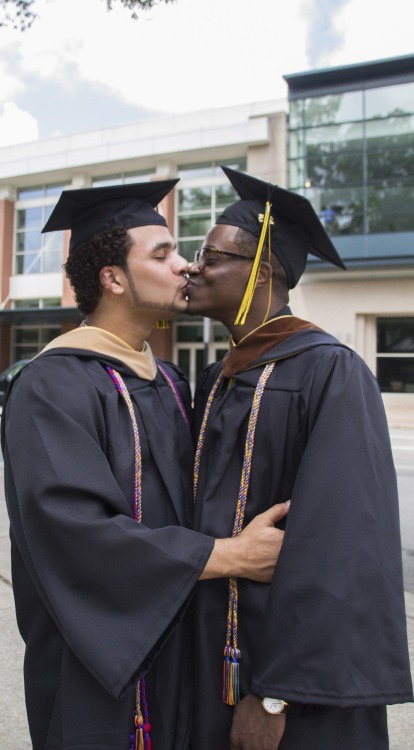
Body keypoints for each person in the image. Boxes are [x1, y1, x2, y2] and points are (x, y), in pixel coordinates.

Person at [1, 179, 288, 750]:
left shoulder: (170, 382)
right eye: (162, 254)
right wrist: (228, 555)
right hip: (94, 669)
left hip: (180, 653)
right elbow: (73, 534)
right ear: (112, 278)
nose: (185, 266)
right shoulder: (52, 386)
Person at [186, 166, 413, 750]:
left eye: (211, 256)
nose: (194, 267)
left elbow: (345, 549)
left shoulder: (331, 373)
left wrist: (275, 693)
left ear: (260, 269)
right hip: (213, 655)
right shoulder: (215, 378)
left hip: (295, 686)